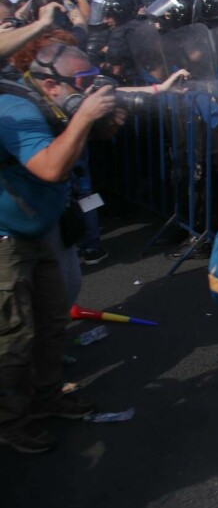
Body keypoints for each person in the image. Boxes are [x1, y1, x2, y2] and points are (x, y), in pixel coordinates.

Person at [0, 43, 118, 453]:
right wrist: (84, 116)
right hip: (8, 241)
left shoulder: (49, 105)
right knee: (13, 338)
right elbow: (51, 167)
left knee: (51, 321)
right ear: (51, 84)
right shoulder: (16, 109)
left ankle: (47, 396)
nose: (89, 90)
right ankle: (11, 421)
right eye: (82, 84)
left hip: (38, 228)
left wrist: (96, 120)